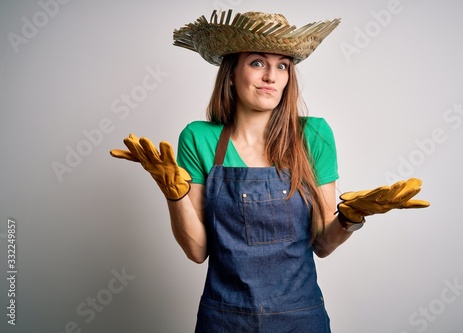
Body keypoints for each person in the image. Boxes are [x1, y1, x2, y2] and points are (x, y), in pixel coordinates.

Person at [110, 10, 430, 332]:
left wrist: (351, 217)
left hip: (300, 318)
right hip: (224, 319)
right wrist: (174, 194)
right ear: (231, 73)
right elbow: (197, 251)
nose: (271, 77)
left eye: (282, 65)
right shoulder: (199, 137)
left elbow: (322, 245)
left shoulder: (314, 135)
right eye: (257, 62)